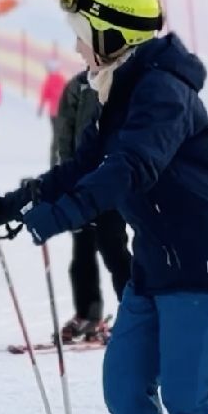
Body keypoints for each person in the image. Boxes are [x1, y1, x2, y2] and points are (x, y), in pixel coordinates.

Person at [0, 0, 208, 414]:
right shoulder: (121, 87)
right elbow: (82, 165)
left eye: (83, 37)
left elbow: (130, 168)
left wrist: (60, 216)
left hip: (201, 266)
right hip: (155, 263)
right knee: (124, 387)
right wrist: (15, 202)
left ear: (114, 36)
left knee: (188, 401)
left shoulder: (162, 91)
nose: (78, 49)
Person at [51, 67, 131, 344]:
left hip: (109, 186)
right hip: (80, 188)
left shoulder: (122, 82)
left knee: (114, 251)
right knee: (81, 255)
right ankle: (88, 314)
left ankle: (136, 313)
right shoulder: (78, 87)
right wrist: (61, 182)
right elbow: (63, 136)